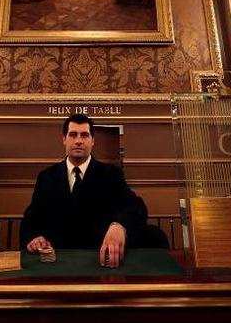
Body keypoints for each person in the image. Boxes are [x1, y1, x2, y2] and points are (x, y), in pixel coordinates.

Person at [20, 113, 147, 267]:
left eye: (84, 135)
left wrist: (119, 226)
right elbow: (31, 219)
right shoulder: (46, 177)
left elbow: (136, 207)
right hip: (56, 265)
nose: (79, 141)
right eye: (73, 135)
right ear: (64, 139)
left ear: (93, 141)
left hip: (96, 263)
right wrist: (35, 237)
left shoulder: (111, 174)